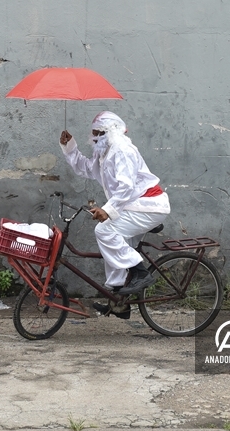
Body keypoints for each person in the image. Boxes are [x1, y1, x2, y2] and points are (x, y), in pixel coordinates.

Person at [60, 111, 170, 318]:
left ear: (107, 133)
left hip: (148, 205)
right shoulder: (105, 152)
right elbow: (86, 169)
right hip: (134, 206)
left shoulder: (122, 149)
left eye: (96, 133)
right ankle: (119, 300)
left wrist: (108, 210)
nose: (92, 138)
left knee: (104, 231)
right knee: (115, 243)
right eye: (92, 133)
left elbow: (126, 186)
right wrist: (70, 147)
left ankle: (140, 271)